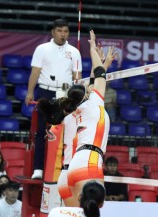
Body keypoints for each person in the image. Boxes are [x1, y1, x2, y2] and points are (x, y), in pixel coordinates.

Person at [38, 31, 117, 207]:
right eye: (88, 90)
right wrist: (93, 51)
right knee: (92, 214)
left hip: (68, 172)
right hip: (87, 162)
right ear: (86, 96)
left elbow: (93, 81)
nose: (90, 89)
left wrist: (103, 62)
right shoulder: (93, 104)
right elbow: (98, 76)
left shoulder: (69, 115)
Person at [25, 18, 82, 179]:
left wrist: (77, 96)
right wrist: (30, 92)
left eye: (65, 31)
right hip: (45, 92)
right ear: (53, 32)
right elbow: (35, 72)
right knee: (42, 131)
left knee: (68, 132)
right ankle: (38, 169)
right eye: (59, 31)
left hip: (65, 94)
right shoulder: (42, 49)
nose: (62, 34)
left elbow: (77, 77)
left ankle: (66, 167)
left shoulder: (74, 52)